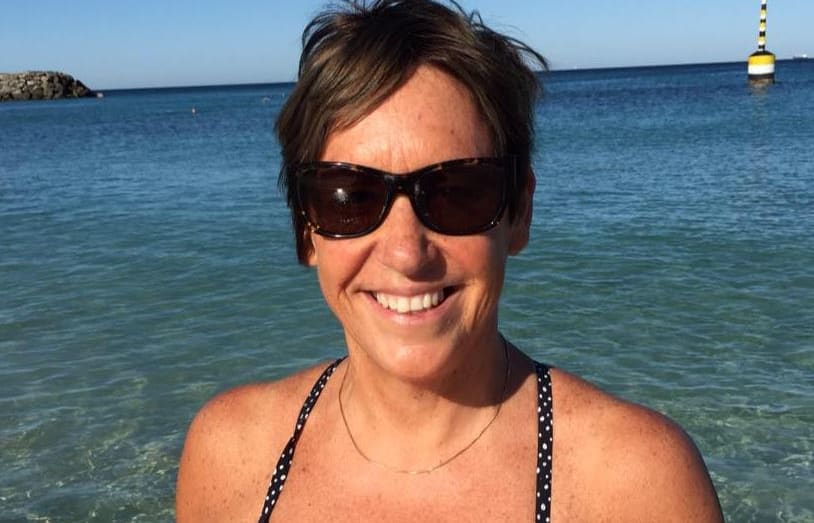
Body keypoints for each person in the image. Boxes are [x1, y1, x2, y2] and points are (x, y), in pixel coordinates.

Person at [176, 1, 724, 521]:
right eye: (351, 197)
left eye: (458, 193)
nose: (405, 252)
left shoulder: (636, 482)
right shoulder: (230, 452)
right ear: (305, 229)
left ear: (519, 212)